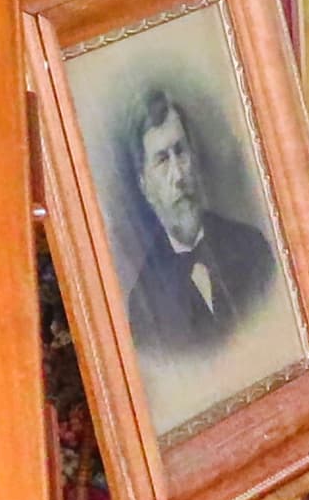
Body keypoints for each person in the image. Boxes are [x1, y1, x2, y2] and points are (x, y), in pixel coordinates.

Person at [120, 90, 282, 355]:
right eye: (162, 160)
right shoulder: (143, 305)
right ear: (145, 186)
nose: (179, 174)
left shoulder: (252, 247)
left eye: (180, 152)